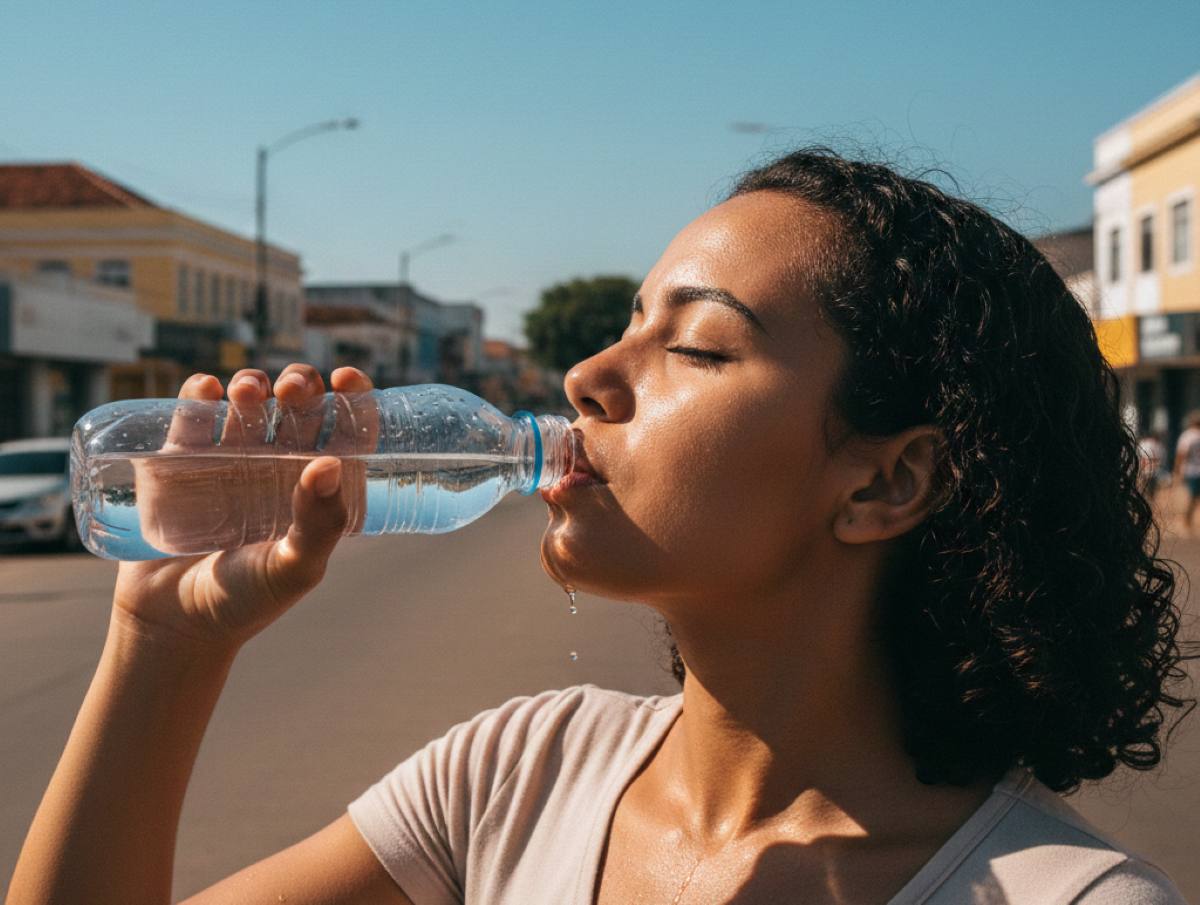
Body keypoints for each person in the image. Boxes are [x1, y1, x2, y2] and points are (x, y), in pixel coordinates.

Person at [8, 149, 1194, 905]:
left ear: (885, 484)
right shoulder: (517, 774)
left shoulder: (1066, 897)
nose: (584, 373)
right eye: (625, 321)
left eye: (695, 343)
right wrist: (164, 651)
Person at [1174, 412, 1200, 537]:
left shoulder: (1187, 436)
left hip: (1191, 470)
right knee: (1194, 498)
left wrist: (1177, 470)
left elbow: (1181, 454)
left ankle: (1187, 522)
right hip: (1195, 471)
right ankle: (1187, 522)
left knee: (1192, 497)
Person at [1137, 431, 1165, 500]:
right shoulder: (1160, 445)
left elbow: (1142, 458)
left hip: (1145, 470)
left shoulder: (1144, 443)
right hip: (1154, 471)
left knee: (1142, 489)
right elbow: (1160, 460)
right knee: (1151, 491)